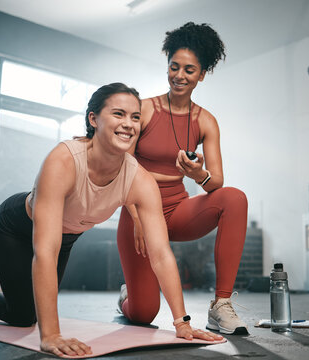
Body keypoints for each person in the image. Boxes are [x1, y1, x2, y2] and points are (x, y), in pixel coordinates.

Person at [0, 82, 223, 358]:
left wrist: (182, 322)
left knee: (24, 313)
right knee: (25, 318)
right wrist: (51, 336)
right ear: (93, 119)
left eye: (135, 117)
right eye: (118, 114)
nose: (129, 124)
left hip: (66, 236)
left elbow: (161, 255)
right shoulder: (64, 160)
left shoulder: (140, 180)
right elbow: (45, 251)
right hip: (15, 227)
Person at [118, 22, 249, 335]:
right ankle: (129, 296)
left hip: (177, 209)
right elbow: (122, 168)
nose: (179, 75)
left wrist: (197, 174)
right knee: (143, 314)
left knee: (234, 198)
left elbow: (214, 182)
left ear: (202, 74)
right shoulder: (144, 110)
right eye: (174, 67)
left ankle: (221, 305)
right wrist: (136, 216)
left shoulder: (206, 121)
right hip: (138, 211)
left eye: (189, 70)